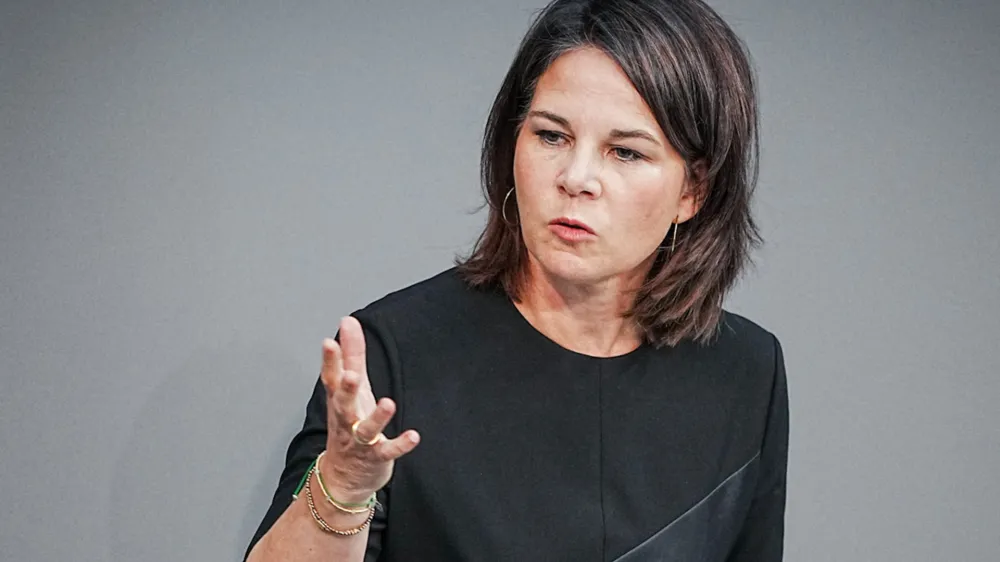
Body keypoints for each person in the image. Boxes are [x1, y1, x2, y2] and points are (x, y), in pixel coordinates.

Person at [245, 0, 788, 560]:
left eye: (625, 152)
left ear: (692, 191)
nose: (576, 178)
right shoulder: (390, 352)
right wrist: (344, 489)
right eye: (551, 136)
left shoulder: (747, 371)